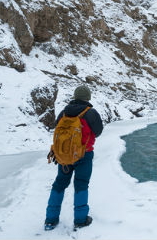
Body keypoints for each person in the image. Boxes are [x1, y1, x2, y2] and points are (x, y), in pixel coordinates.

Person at [44, 85, 103, 231]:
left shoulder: (64, 112)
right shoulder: (90, 113)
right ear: (87, 97)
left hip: (64, 154)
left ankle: (50, 220)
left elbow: (57, 127)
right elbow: (98, 131)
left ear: (75, 96)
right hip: (84, 154)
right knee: (81, 184)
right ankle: (80, 220)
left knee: (59, 184)